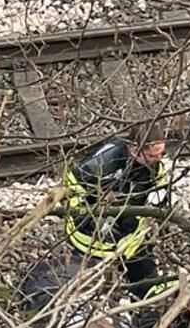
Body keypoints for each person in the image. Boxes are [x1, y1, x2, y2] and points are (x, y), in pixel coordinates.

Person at [57, 121, 170, 301]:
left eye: (160, 154)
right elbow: (73, 187)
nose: (157, 159)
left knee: (150, 285)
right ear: (134, 148)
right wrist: (95, 210)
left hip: (131, 239)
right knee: (85, 293)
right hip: (91, 240)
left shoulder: (155, 168)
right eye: (152, 155)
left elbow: (158, 195)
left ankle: (148, 311)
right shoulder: (103, 162)